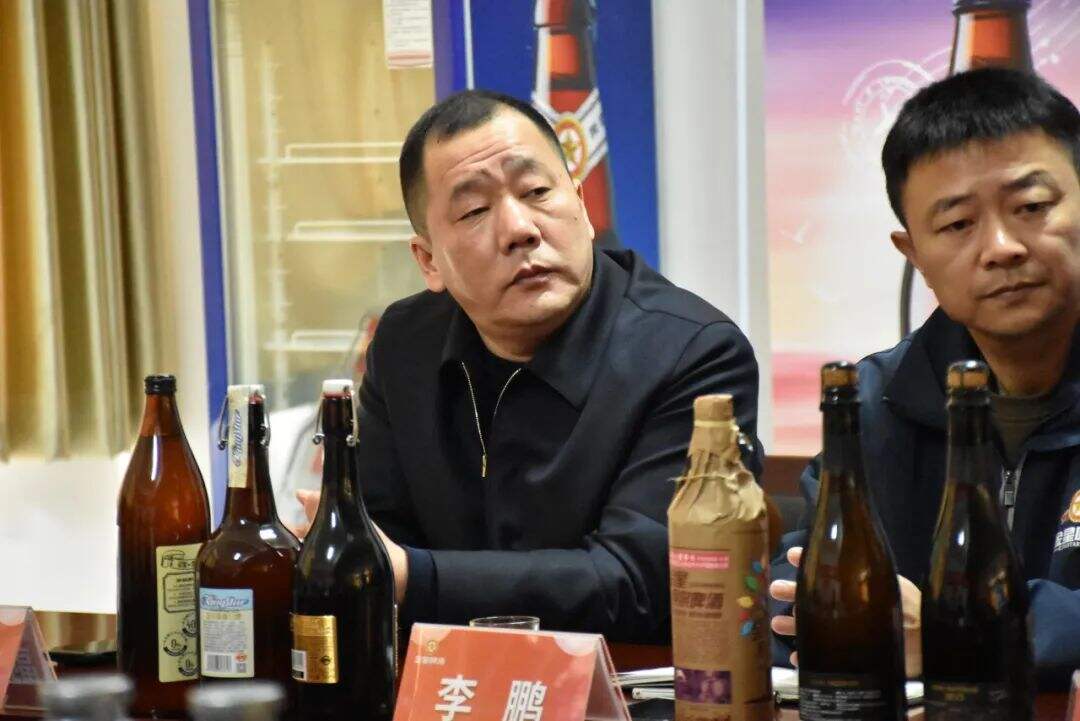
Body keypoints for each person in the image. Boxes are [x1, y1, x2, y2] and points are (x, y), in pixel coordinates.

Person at [294, 89, 762, 643]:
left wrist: (412, 577)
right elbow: (377, 533)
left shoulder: (692, 353)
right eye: (474, 211)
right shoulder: (405, 344)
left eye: (537, 192)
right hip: (451, 679)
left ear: (582, 207)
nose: (520, 228)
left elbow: (641, 581)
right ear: (428, 260)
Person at [769, 67, 1080, 686]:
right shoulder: (873, 406)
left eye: (1031, 207)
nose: (1001, 247)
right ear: (914, 254)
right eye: (958, 224)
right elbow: (798, 595)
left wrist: (955, 632)